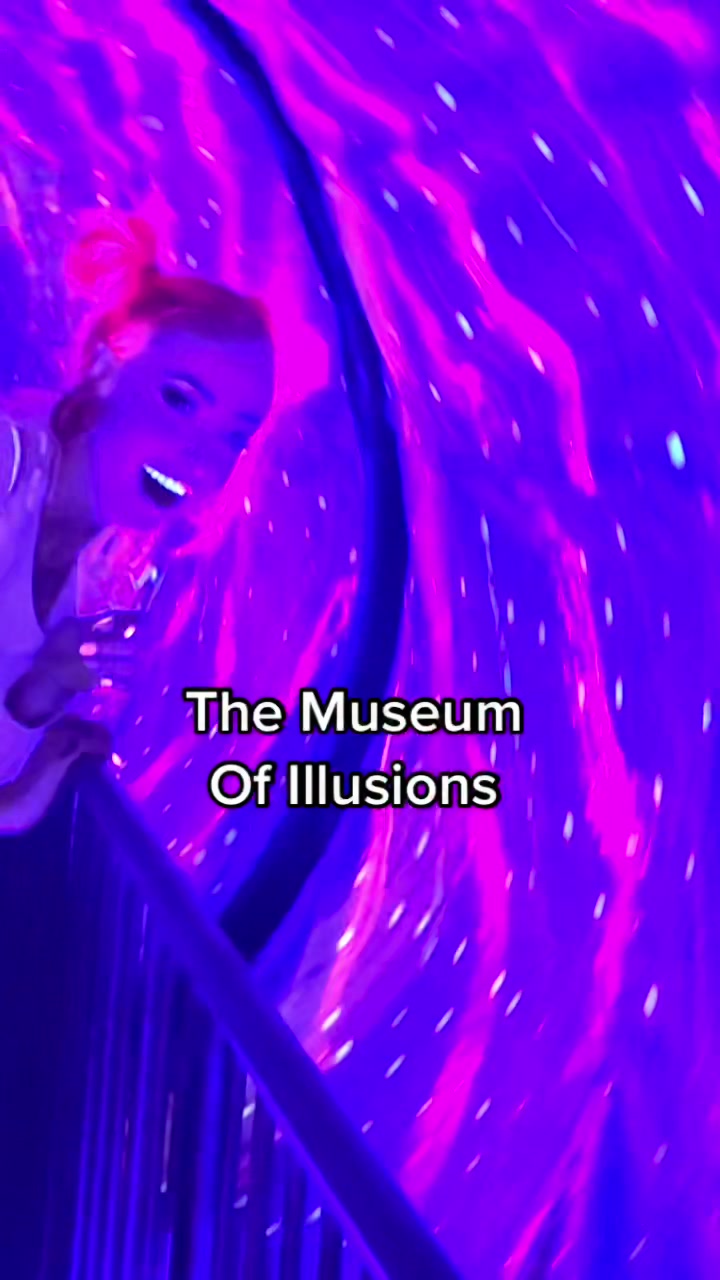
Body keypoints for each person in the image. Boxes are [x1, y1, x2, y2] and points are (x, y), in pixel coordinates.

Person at [0, 211, 275, 1277]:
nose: (198, 457)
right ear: (108, 369)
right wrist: (20, 802)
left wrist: (38, 694)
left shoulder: (107, 557)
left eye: (231, 437)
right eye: (179, 399)